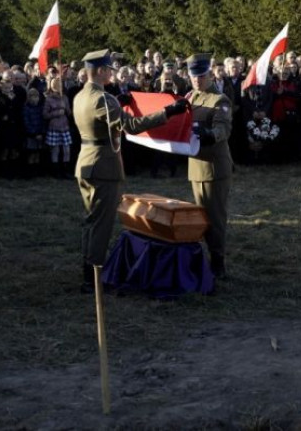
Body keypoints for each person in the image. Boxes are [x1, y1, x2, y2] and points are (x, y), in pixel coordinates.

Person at [73, 49, 189, 293]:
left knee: (91, 220)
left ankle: (87, 270)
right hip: (103, 165)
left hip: (86, 162)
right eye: (109, 70)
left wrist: (119, 102)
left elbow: (102, 118)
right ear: (101, 71)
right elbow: (132, 126)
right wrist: (167, 112)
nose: (111, 74)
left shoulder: (81, 95)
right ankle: (93, 277)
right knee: (101, 224)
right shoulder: (103, 99)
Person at [186, 54, 233, 278]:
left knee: (214, 219)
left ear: (209, 74)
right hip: (196, 166)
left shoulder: (219, 100)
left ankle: (218, 262)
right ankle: (201, 258)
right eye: (194, 76)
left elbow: (223, 129)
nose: (197, 80)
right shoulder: (191, 97)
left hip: (214, 168)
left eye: (201, 76)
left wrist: (209, 134)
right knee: (199, 217)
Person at [43, 76, 72, 178]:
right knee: (55, 150)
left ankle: (66, 170)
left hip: (64, 126)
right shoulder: (48, 99)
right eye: (56, 85)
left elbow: (68, 111)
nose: (58, 86)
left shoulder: (65, 98)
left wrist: (70, 111)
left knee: (67, 149)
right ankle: (56, 171)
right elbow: (45, 115)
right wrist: (56, 113)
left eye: (60, 85)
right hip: (54, 126)